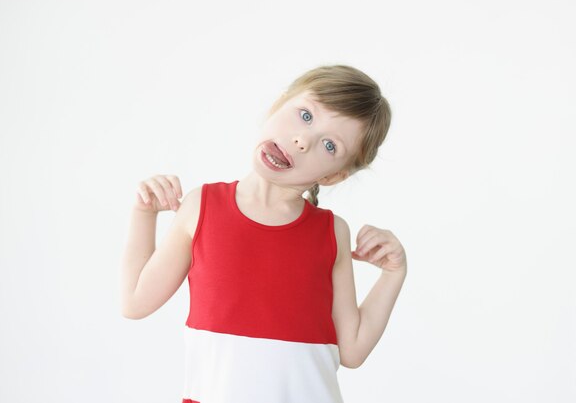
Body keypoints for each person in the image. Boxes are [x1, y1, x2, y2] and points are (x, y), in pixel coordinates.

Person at [120, 64, 408, 403]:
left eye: (329, 145)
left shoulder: (332, 233)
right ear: (278, 103)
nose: (302, 140)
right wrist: (144, 212)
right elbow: (135, 302)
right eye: (305, 115)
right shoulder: (203, 206)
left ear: (334, 176)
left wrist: (393, 273)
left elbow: (353, 350)